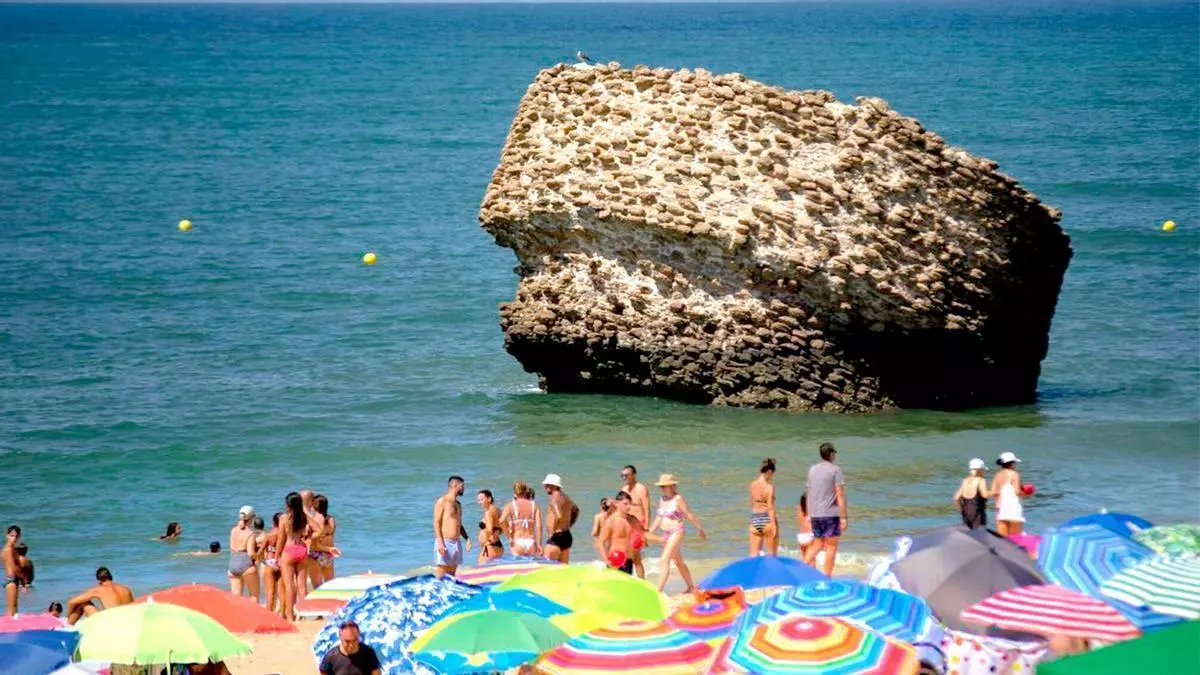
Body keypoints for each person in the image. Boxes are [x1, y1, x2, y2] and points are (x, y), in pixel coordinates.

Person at [648, 474, 706, 593]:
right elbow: (659, 517)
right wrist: (649, 531)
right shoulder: (662, 499)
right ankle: (691, 587)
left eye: (664, 486)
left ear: (672, 486)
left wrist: (699, 528)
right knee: (678, 561)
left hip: (676, 531)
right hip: (666, 533)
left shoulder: (678, 499)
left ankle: (658, 591)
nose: (662, 488)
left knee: (664, 559)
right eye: (661, 486)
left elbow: (688, 514)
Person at [275, 491, 311, 622]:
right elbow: (314, 530)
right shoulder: (304, 517)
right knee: (302, 586)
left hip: (289, 550)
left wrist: (276, 555)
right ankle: (303, 614)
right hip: (302, 549)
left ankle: (290, 616)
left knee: (289, 586)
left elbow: (281, 539)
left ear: (288, 505)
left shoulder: (284, 518)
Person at [433, 476, 471, 578]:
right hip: (445, 542)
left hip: (456, 543)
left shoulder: (458, 504)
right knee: (441, 573)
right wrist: (440, 543)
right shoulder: (442, 501)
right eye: (462, 486)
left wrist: (467, 538)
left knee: (452, 575)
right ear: (455, 485)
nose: (463, 488)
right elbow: (436, 522)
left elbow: (459, 524)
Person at [67, 567, 134, 624]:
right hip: (127, 622)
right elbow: (132, 606)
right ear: (111, 577)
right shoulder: (126, 589)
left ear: (99, 580)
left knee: (82, 602)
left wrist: (69, 615)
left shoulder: (99, 590)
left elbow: (71, 602)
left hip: (111, 624)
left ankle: (68, 625)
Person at [594, 492, 638, 574]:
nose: (629, 506)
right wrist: (606, 560)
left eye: (630, 504)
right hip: (615, 561)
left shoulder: (633, 520)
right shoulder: (611, 521)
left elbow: (643, 535)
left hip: (628, 561)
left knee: (626, 583)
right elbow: (600, 542)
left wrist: (660, 539)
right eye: (625, 504)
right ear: (617, 504)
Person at [620, 465, 651, 578]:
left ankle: (631, 578)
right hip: (627, 525)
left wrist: (646, 528)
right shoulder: (624, 489)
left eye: (626, 475)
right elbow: (620, 507)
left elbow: (647, 509)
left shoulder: (641, 488)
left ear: (634, 475)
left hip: (639, 525)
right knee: (635, 557)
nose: (624, 478)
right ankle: (640, 580)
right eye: (622, 476)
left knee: (633, 554)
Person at [542, 474, 580, 563]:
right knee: (563, 568)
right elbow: (576, 510)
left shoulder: (554, 497)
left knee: (547, 567)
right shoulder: (565, 497)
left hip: (556, 537)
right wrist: (569, 524)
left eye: (548, 485)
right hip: (566, 535)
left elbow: (558, 515)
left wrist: (552, 531)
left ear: (555, 486)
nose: (545, 487)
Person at [500, 480, 541, 557]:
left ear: (515, 493)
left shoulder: (510, 505)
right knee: (531, 564)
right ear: (525, 491)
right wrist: (539, 544)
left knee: (518, 564)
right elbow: (539, 526)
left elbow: (501, 521)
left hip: (517, 541)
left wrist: (509, 537)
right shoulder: (534, 505)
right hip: (530, 541)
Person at [749, 457, 779, 556]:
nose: (771, 477)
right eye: (772, 474)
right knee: (771, 555)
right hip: (767, 519)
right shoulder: (769, 487)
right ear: (769, 471)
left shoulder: (752, 484)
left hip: (755, 518)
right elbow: (770, 507)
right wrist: (774, 526)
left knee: (753, 555)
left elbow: (752, 503)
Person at [309, 495, 340, 588]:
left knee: (317, 587)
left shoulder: (313, 521)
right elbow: (331, 536)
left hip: (316, 554)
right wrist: (329, 549)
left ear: (314, 506)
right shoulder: (331, 519)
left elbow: (314, 544)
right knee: (329, 586)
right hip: (329, 555)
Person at [228, 505, 259, 599]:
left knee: (236, 598)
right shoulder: (250, 533)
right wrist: (260, 556)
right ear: (252, 518)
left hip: (233, 563)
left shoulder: (233, 530)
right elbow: (251, 554)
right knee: (253, 596)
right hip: (245, 564)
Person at [992, 451, 1025, 536]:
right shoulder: (1014, 474)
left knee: (1002, 538)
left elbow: (994, 492)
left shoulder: (997, 475)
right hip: (1013, 508)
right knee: (1015, 537)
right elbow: (1017, 492)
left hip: (1001, 508)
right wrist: (1026, 493)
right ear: (1012, 464)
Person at [953, 458, 991, 529]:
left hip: (966, 514)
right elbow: (985, 495)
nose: (984, 472)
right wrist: (995, 492)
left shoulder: (965, 480)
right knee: (980, 534)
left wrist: (962, 510)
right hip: (977, 514)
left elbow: (956, 497)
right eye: (983, 470)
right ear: (980, 470)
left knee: (968, 534)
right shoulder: (981, 480)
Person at [260, 513, 282, 613]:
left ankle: (268, 613)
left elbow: (261, 552)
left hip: (269, 561)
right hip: (280, 561)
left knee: (270, 591)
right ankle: (282, 613)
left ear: (273, 522)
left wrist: (260, 559)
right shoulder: (284, 535)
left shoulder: (268, 535)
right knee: (281, 591)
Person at [475, 490, 504, 564]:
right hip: (497, 545)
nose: (479, 502)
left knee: (481, 568)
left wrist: (487, 542)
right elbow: (504, 526)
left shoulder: (489, 512)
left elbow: (489, 529)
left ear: (489, 499)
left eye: (482, 499)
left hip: (490, 546)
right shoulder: (497, 510)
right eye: (478, 500)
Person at [3, 525, 20, 616]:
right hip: (11, 579)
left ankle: (11, 623)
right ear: (7, 535)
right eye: (11, 536)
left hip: (12, 579)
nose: (14, 538)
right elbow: (13, 567)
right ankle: (8, 623)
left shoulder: (12, 548)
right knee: (12, 607)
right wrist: (24, 580)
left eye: (16, 536)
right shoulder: (9, 549)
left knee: (14, 607)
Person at [795, 492, 814, 557]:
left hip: (801, 536)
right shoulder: (812, 511)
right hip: (810, 536)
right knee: (811, 558)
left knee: (804, 558)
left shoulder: (799, 509)